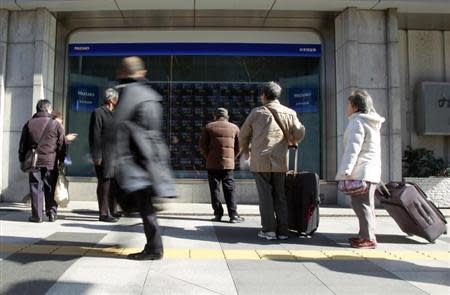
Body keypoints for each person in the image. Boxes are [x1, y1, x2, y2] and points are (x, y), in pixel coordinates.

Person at [114, 56, 176, 260]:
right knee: (145, 203)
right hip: (153, 155)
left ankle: (154, 248)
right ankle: (153, 246)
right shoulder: (152, 94)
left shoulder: (130, 92)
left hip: (138, 157)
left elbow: (118, 124)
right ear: (143, 73)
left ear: (123, 72)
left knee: (144, 204)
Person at [239, 81, 305, 240]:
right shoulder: (290, 113)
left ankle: (269, 230)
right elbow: (300, 132)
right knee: (280, 195)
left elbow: (243, 134)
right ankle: (283, 231)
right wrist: (292, 141)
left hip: (260, 161)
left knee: (265, 196)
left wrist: (246, 150)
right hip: (280, 161)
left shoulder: (256, 113)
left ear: (264, 95)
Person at [336, 89, 385, 249]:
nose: (347, 108)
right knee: (366, 205)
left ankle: (368, 238)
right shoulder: (370, 121)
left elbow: (353, 148)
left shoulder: (357, 121)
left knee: (361, 206)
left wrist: (346, 170)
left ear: (355, 107)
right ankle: (365, 235)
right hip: (370, 170)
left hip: (361, 170)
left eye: (349, 104)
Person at [19, 99, 66, 222]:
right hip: (51, 161)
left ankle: (37, 216)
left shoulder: (29, 123)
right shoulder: (56, 124)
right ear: (48, 109)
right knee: (50, 187)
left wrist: (22, 159)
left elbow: (22, 145)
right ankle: (51, 214)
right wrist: (61, 160)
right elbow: (62, 144)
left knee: (35, 187)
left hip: (34, 161)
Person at [199, 107, 244, 223]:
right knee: (230, 189)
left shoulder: (209, 127)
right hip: (228, 166)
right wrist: (231, 158)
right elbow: (239, 147)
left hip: (212, 164)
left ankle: (218, 214)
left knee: (214, 190)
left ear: (215, 116)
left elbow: (202, 146)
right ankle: (233, 215)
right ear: (227, 116)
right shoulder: (234, 128)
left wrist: (208, 157)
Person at [89, 88, 121, 222]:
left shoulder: (117, 114)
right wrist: (97, 156)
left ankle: (113, 210)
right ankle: (103, 213)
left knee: (115, 183)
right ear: (111, 99)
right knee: (104, 183)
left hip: (117, 155)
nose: (117, 101)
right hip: (104, 155)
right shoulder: (98, 113)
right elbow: (94, 136)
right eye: (116, 98)